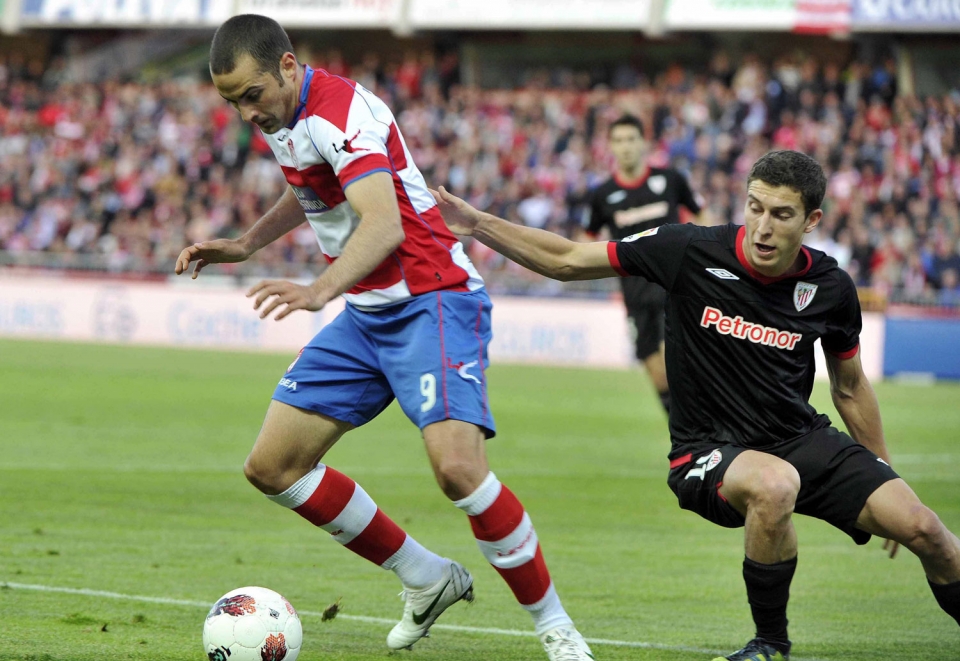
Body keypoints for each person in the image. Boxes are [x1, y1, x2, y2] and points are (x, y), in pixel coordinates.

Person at [430, 149, 960, 661]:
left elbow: (848, 386)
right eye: (755, 207)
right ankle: (769, 645)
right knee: (774, 486)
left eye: (781, 215)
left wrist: (882, 465)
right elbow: (569, 259)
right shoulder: (687, 250)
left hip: (802, 440)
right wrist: (478, 224)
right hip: (708, 452)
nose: (763, 227)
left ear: (812, 219)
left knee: (928, 532)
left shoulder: (830, 287)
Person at [175, 15, 593, 661]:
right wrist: (245, 243)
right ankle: (428, 576)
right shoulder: (286, 116)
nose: (244, 113)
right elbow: (311, 186)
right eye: (231, 101)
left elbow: (384, 225)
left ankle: (556, 628)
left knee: (457, 469)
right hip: (371, 312)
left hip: (433, 298)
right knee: (272, 465)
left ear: (287, 67)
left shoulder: (342, 113)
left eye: (250, 94)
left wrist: (317, 291)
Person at [583, 115, 705, 415]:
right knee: (657, 374)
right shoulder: (603, 195)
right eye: (619, 141)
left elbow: (702, 217)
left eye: (631, 139)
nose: (625, 147)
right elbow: (586, 239)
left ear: (643, 143)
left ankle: (701, 435)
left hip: (674, 287)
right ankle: (687, 435)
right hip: (635, 294)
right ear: (610, 146)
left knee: (672, 360)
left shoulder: (670, 180)